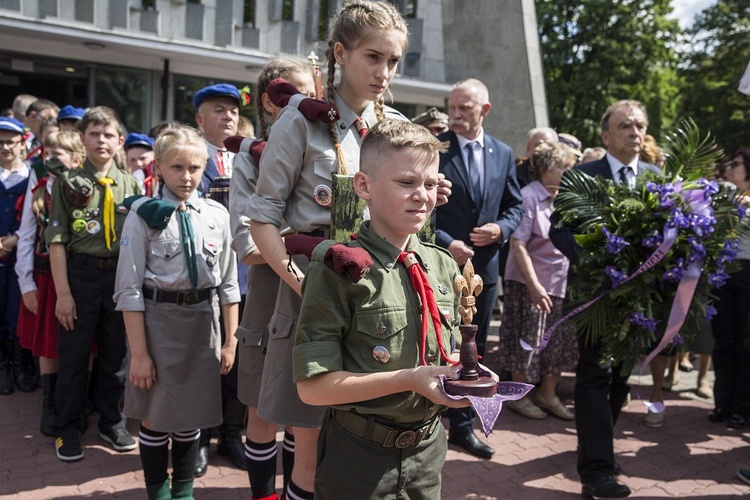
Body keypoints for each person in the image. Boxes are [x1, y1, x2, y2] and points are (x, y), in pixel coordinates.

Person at [247, 2, 418, 497]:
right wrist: (298, 280)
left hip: (374, 299)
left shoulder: (395, 127)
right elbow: (263, 216)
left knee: (362, 441)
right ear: (340, 53)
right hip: (314, 294)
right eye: (373, 57)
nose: (385, 73)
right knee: (310, 451)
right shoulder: (300, 121)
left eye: (393, 61)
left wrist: (421, 194)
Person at [295, 118, 472, 498]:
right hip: (359, 458)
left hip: (428, 452)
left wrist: (465, 371)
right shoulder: (340, 268)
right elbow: (312, 389)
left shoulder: (442, 265)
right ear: (364, 186)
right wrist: (408, 380)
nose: (421, 195)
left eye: (429, 184)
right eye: (406, 183)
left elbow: (445, 348)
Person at [114, 124, 240, 500]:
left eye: (195, 168)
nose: (187, 177)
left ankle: (183, 492)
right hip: (158, 324)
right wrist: (139, 354)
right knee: (155, 416)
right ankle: (158, 492)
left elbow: (229, 284)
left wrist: (230, 340)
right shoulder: (144, 215)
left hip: (203, 324)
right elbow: (129, 290)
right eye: (177, 168)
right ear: (161, 168)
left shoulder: (217, 214)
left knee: (192, 418)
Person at [549, 99, 660, 498]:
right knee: (594, 375)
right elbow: (558, 231)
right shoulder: (581, 176)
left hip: (637, 303)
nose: (635, 132)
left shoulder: (655, 177)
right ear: (605, 134)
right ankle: (597, 471)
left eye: (640, 126)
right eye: (625, 125)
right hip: (593, 297)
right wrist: (598, 258)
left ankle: (597, 447)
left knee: (620, 379)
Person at [229, 55, 315, 500]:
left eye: (314, 92)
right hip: (268, 299)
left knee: (307, 417)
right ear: (270, 101)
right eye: (297, 92)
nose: (310, 101)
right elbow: (247, 245)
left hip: (315, 299)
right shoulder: (248, 158)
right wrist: (308, 240)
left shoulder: (325, 150)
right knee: (263, 413)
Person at [45, 106, 141, 462]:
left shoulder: (131, 183)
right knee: (73, 356)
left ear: (119, 141)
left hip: (119, 275)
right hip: (80, 274)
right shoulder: (67, 182)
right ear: (82, 140)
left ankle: (111, 421)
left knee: (115, 357)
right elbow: (56, 240)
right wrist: (64, 294)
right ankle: (66, 427)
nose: (101, 140)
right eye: (93, 134)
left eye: (108, 134)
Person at [435, 78, 523, 459]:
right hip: (440, 268)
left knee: (474, 349)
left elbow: (515, 206)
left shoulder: (502, 153)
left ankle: (463, 426)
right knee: (437, 346)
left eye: (464, 108)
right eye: (452, 107)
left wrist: (500, 229)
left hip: (483, 273)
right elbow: (419, 208)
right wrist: (445, 242)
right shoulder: (435, 149)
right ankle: (429, 420)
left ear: (484, 110)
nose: (455, 115)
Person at [500, 141, 578, 421]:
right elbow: (518, 244)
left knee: (556, 342)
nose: (569, 171)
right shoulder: (528, 196)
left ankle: (548, 394)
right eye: (562, 166)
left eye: (570, 166)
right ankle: (518, 398)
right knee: (526, 339)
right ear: (544, 168)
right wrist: (534, 286)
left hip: (559, 282)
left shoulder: (565, 197)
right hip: (529, 282)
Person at [15, 131, 86, 434]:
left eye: (60, 153)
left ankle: (78, 402)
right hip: (45, 278)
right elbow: (26, 237)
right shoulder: (39, 188)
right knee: (49, 343)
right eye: (47, 153)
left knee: (84, 342)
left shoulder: (85, 188)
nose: (51, 158)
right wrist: (26, 284)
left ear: (77, 158)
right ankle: (50, 404)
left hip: (81, 274)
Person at [192, 82, 247, 476]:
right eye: (218, 109)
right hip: (205, 278)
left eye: (232, 110)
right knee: (205, 361)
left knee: (240, 363)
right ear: (200, 119)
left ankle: (232, 436)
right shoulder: (191, 160)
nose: (228, 115)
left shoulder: (250, 158)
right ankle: (201, 439)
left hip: (245, 276)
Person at [709, 147, 750, 429]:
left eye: (736, 164)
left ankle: (742, 407)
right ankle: (722, 403)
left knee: (745, 345)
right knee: (723, 342)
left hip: (749, 274)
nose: (730, 168)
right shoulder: (723, 197)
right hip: (723, 274)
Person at [0, 117, 34, 395]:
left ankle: (21, 365)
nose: (5, 148)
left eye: (10, 142)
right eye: (0, 143)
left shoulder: (30, 176)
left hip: (21, 255)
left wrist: (13, 241)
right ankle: (3, 366)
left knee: (16, 311)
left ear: (22, 143)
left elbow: (37, 219)